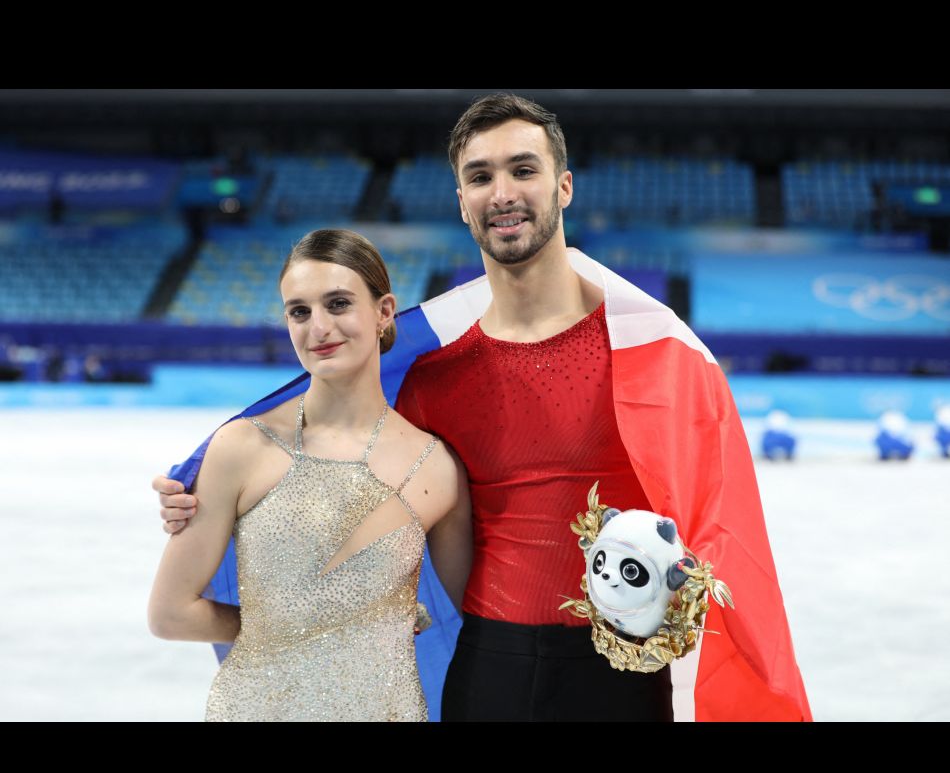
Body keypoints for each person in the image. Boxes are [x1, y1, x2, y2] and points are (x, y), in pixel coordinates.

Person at [156, 93, 811, 723]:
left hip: (621, 676)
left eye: (523, 169)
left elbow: (716, 515)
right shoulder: (433, 380)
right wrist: (204, 494)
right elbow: (335, 463)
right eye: (480, 176)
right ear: (463, 203)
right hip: (487, 670)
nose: (502, 192)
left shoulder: (651, 360)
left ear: (564, 186)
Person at [147, 228, 470, 722]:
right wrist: (306, 628)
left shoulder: (437, 468)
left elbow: (473, 621)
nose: (318, 327)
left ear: (384, 312)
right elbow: (170, 613)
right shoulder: (241, 447)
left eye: (338, 304)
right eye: (300, 311)